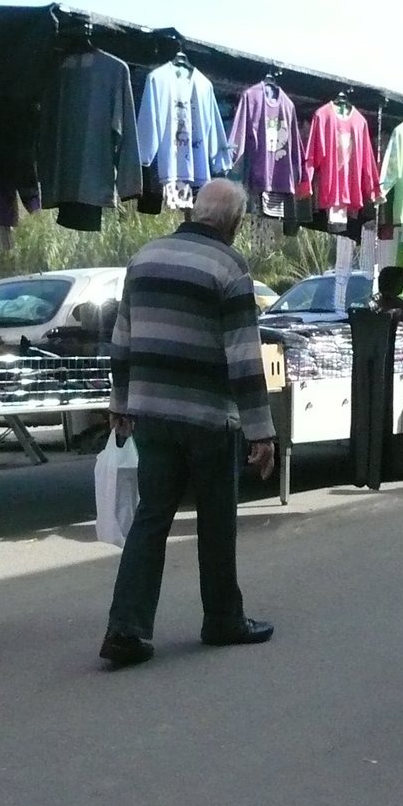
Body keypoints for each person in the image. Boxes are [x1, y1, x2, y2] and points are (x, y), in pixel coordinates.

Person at [100, 179, 278, 668]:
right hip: (207, 418)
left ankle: (126, 628)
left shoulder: (145, 257)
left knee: (152, 516)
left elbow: (123, 338)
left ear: (196, 211)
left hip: (152, 413)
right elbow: (244, 358)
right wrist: (261, 431)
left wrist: (120, 400)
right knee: (217, 521)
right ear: (234, 222)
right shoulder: (229, 266)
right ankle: (223, 619)